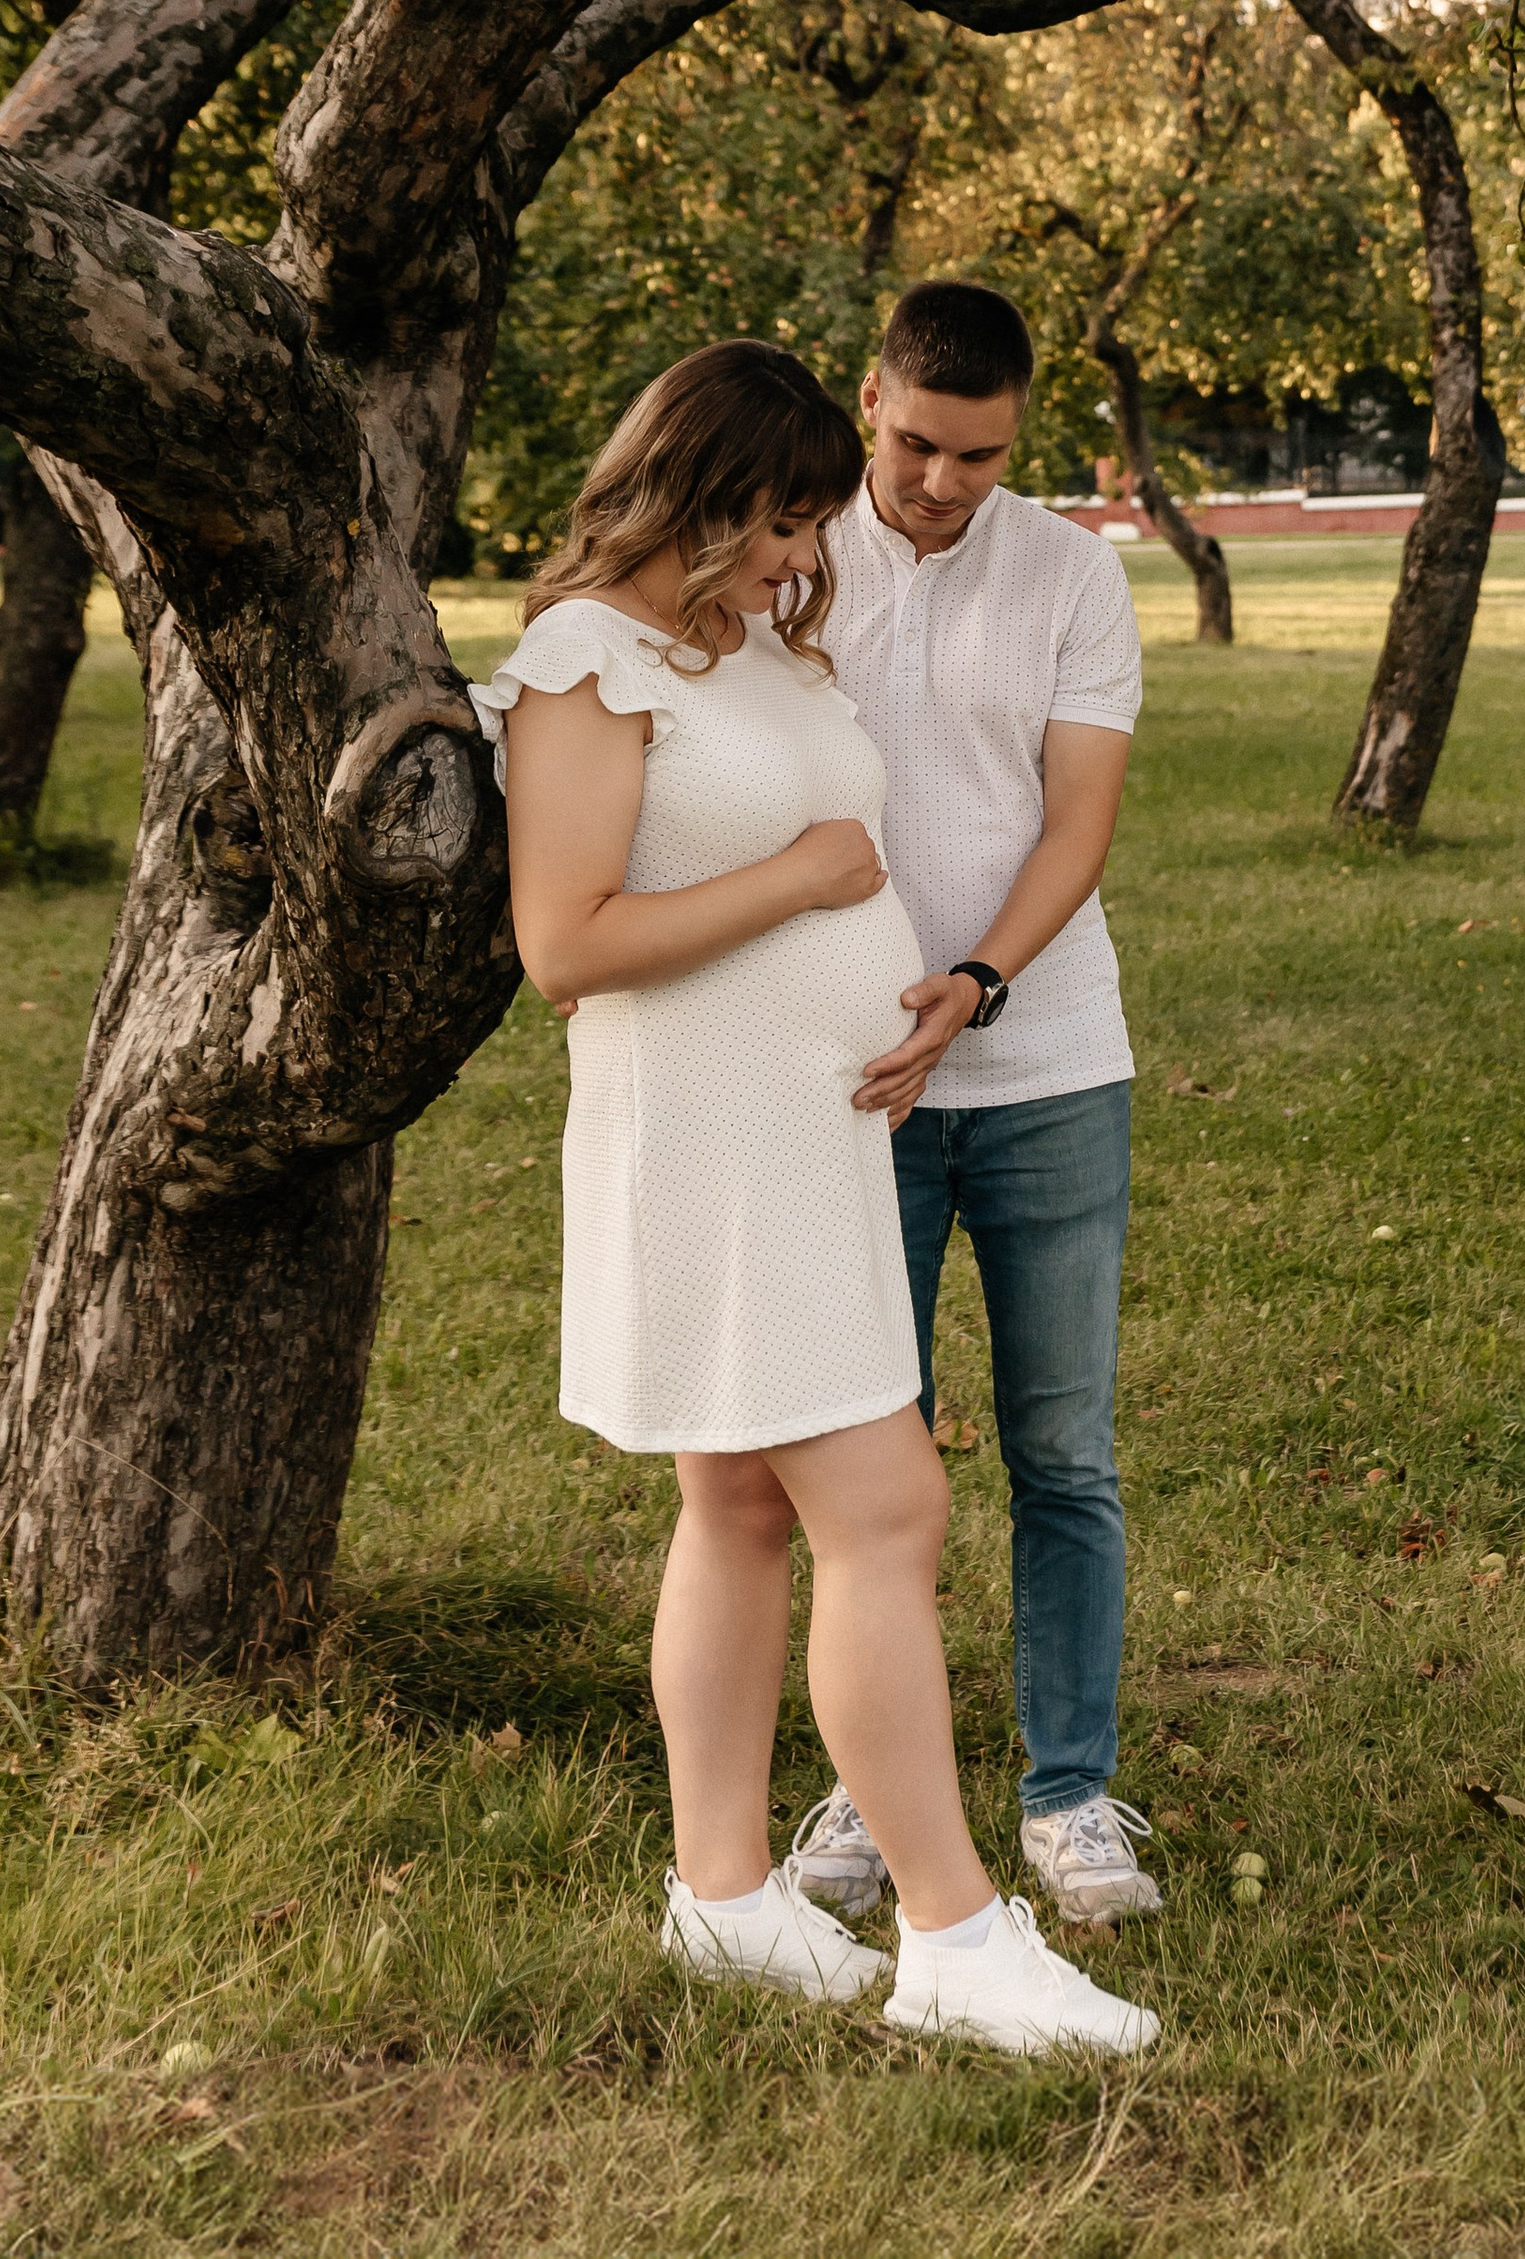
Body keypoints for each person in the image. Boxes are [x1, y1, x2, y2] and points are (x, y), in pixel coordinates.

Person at [470, 338, 1155, 2060]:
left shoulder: (747, 640)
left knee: (739, 1507)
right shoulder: (582, 663)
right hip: (717, 1153)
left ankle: (723, 1896)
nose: (804, 554)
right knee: (889, 1510)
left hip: (811, 1139)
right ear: (694, 495)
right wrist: (800, 878)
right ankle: (954, 1934)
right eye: (780, 523)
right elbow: (565, 944)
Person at [780, 281, 1162, 1935]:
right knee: (870, 1462)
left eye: (980, 455)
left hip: (1048, 1065)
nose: (942, 481)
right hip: (848, 1078)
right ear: (870, 398)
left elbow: (1076, 821)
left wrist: (980, 982)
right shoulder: (786, 557)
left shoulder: (1071, 572)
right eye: (919, 443)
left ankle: (1069, 1790)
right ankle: (878, 1789)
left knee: (1060, 1448)